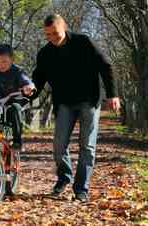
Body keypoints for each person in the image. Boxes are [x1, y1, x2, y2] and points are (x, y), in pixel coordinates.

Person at [30, 14, 121, 202]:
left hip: (89, 100)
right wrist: (26, 95)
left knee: (87, 146)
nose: (52, 38)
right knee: (59, 145)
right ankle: (64, 178)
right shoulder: (45, 53)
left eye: (55, 33)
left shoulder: (83, 43)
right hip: (64, 103)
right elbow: (38, 81)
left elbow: (105, 66)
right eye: (48, 35)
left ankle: (81, 189)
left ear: (64, 27)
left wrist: (112, 95)